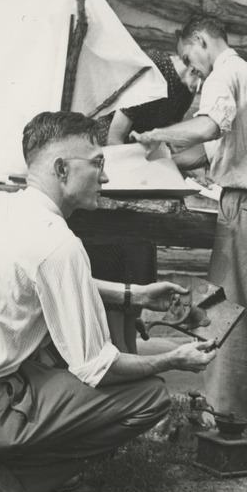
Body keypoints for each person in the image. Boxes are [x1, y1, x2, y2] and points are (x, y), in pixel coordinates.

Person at [0, 111, 217, 492]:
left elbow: (41, 278)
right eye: (97, 164)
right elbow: (99, 369)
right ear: (62, 169)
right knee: (150, 396)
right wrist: (174, 358)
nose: (105, 178)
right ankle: (9, 482)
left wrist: (134, 294)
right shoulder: (59, 244)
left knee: (55, 360)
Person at [132, 15, 247, 425]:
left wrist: (158, 134)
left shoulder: (221, 76)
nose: (191, 71)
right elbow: (215, 145)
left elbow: (210, 126)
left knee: (228, 311)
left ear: (200, 40)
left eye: (187, 58)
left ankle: (226, 413)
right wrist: (162, 165)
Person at [86, 48, 199, 354]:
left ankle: (129, 343)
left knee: (139, 258)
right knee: (113, 259)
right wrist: (132, 177)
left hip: (140, 177)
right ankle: (116, 348)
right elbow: (115, 134)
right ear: (189, 60)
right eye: (198, 76)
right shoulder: (155, 69)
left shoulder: (186, 88)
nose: (198, 86)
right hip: (113, 172)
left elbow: (163, 139)